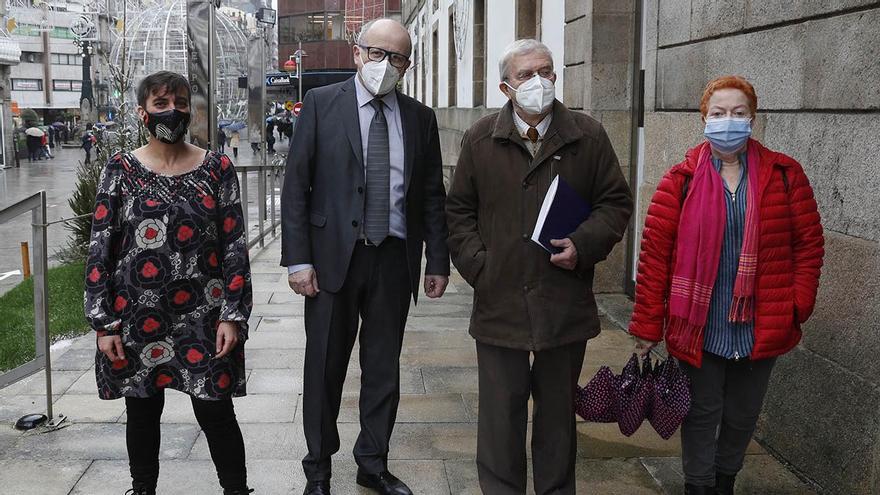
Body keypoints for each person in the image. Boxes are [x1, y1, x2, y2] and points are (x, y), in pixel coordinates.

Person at [446, 39, 634, 494]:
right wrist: (480, 267)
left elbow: (614, 203)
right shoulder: (480, 137)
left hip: (562, 300)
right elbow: (457, 212)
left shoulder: (586, 135)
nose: (539, 82)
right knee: (499, 420)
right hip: (500, 301)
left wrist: (583, 245)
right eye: (526, 75)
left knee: (557, 421)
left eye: (546, 72)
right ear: (505, 87)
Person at [629, 76, 824, 495]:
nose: (728, 122)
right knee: (701, 414)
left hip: (761, 323)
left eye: (738, 113)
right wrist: (647, 326)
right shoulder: (679, 181)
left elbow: (808, 243)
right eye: (718, 114)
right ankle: (698, 487)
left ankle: (725, 483)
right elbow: (654, 259)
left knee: (741, 416)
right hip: (699, 324)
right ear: (704, 119)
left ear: (753, 118)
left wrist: (797, 305)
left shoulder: (785, 176)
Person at [281, 18, 450, 495]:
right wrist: (298, 260)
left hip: (393, 259)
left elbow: (431, 196)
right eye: (377, 53)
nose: (386, 64)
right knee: (324, 369)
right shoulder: (320, 105)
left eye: (397, 57)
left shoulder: (420, 117)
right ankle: (318, 469)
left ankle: (372, 463)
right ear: (357, 54)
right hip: (333, 261)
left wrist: (437, 261)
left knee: (383, 369)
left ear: (407, 65)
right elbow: (297, 188)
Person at [83, 70, 254, 495]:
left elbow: (235, 245)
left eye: (180, 103)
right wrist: (103, 323)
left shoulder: (217, 168)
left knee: (216, 410)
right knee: (142, 412)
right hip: (137, 316)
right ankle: (143, 489)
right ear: (143, 113)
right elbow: (101, 247)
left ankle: (236, 490)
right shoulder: (119, 169)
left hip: (205, 314)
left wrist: (233, 315)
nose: (172, 112)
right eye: (161, 104)